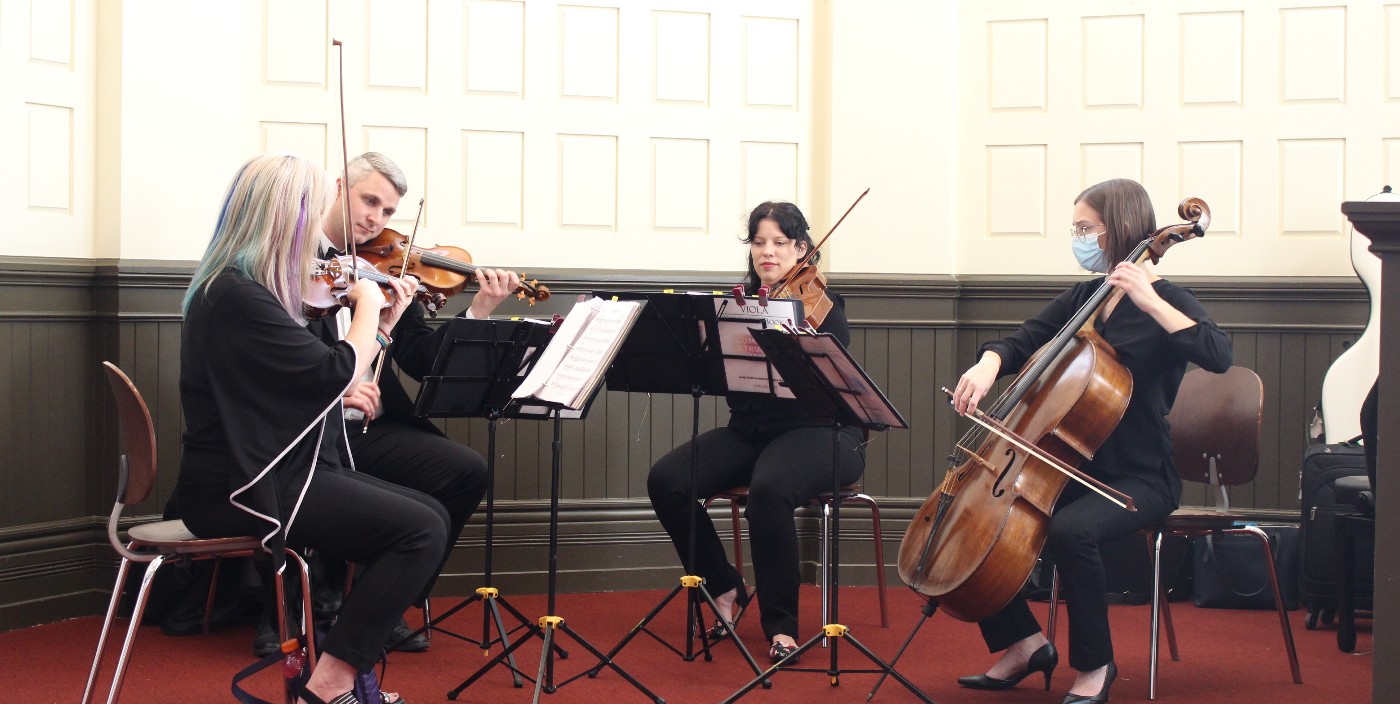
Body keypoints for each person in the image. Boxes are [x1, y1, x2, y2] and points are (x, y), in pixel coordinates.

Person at [949, 178, 1232, 703]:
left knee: (1070, 532)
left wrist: (1150, 300)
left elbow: (1218, 354)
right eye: (1075, 227)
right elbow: (1025, 338)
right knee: (992, 520)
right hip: (1074, 466)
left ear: (1119, 230)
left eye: (1086, 229)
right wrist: (988, 363)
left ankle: (1096, 666)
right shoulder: (1086, 297)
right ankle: (1022, 643)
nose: (1077, 237)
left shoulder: (1167, 299)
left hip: (1142, 476)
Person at [175, 153, 443, 704]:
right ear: (284, 217)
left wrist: (385, 326)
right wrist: (368, 302)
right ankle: (329, 686)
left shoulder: (250, 289)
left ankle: (336, 674)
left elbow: (320, 384)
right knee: (419, 531)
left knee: (432, 516)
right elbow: (332, 372)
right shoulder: (234, 296)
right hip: (244, 483)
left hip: (276, 466)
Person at [280, 152, 522, 655]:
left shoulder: (389, 270)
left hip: (370, 428)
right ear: (341, 186)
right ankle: (299, 606)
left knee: (466, 470)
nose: (377, 220)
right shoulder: (294, 259)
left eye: (389, 212)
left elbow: (422, 359)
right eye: (369, 202)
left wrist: (477, 311)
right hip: (306, 429)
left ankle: (378, 605)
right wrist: (338, 386)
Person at [646, 201, 866, 665]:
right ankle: (724, 585)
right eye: (759, 243)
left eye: (780, 244)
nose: (768, 252)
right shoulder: (736, 304)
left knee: (768, 490)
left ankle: (782, 628)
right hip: (752, 431)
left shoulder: (823, 307)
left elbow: (830, 386)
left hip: (822, 433)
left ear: (802, 248)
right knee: (667, 480)